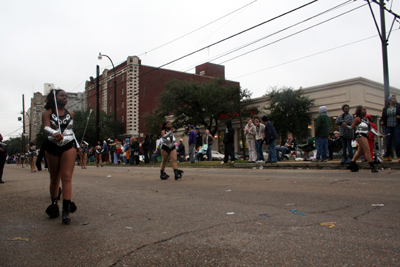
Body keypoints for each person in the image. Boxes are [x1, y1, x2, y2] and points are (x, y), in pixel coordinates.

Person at [42, 89, 81, 224]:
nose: (65, 97)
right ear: (54, 98)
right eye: (61, 95)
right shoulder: (47, 113)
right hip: (52, 144)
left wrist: (78, 145)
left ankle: (66, 210)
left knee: (67, 177)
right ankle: (54, 204)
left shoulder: (71, 114)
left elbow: (71, 131)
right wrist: (54, 133)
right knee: (54, 178)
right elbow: (46, 127)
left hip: (69, 145)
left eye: (66, 96)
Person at [344, 105, 384, 172]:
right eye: (363, 109)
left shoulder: (366, 119)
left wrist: (378, 134)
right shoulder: (357, 119)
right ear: (360, 111)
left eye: (365, 109)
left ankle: (352, 163)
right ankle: (372, 166)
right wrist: (346, 126)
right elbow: (352, 127)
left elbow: (370, 129)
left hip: (366, 135)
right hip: (360, 135)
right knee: (367, 150)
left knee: (360, 152)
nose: (365, 111)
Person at [380, 95, 400, 162]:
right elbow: (383, 117)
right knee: (388, 142)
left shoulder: (398, 106)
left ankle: (399, 156)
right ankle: (388, 156)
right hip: (388, 126)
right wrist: (382, 121)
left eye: (395, 98)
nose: (395, 99)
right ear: (390, 100)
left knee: (397, 142)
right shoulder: (386, 108)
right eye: (393, 98)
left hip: (396, 126)